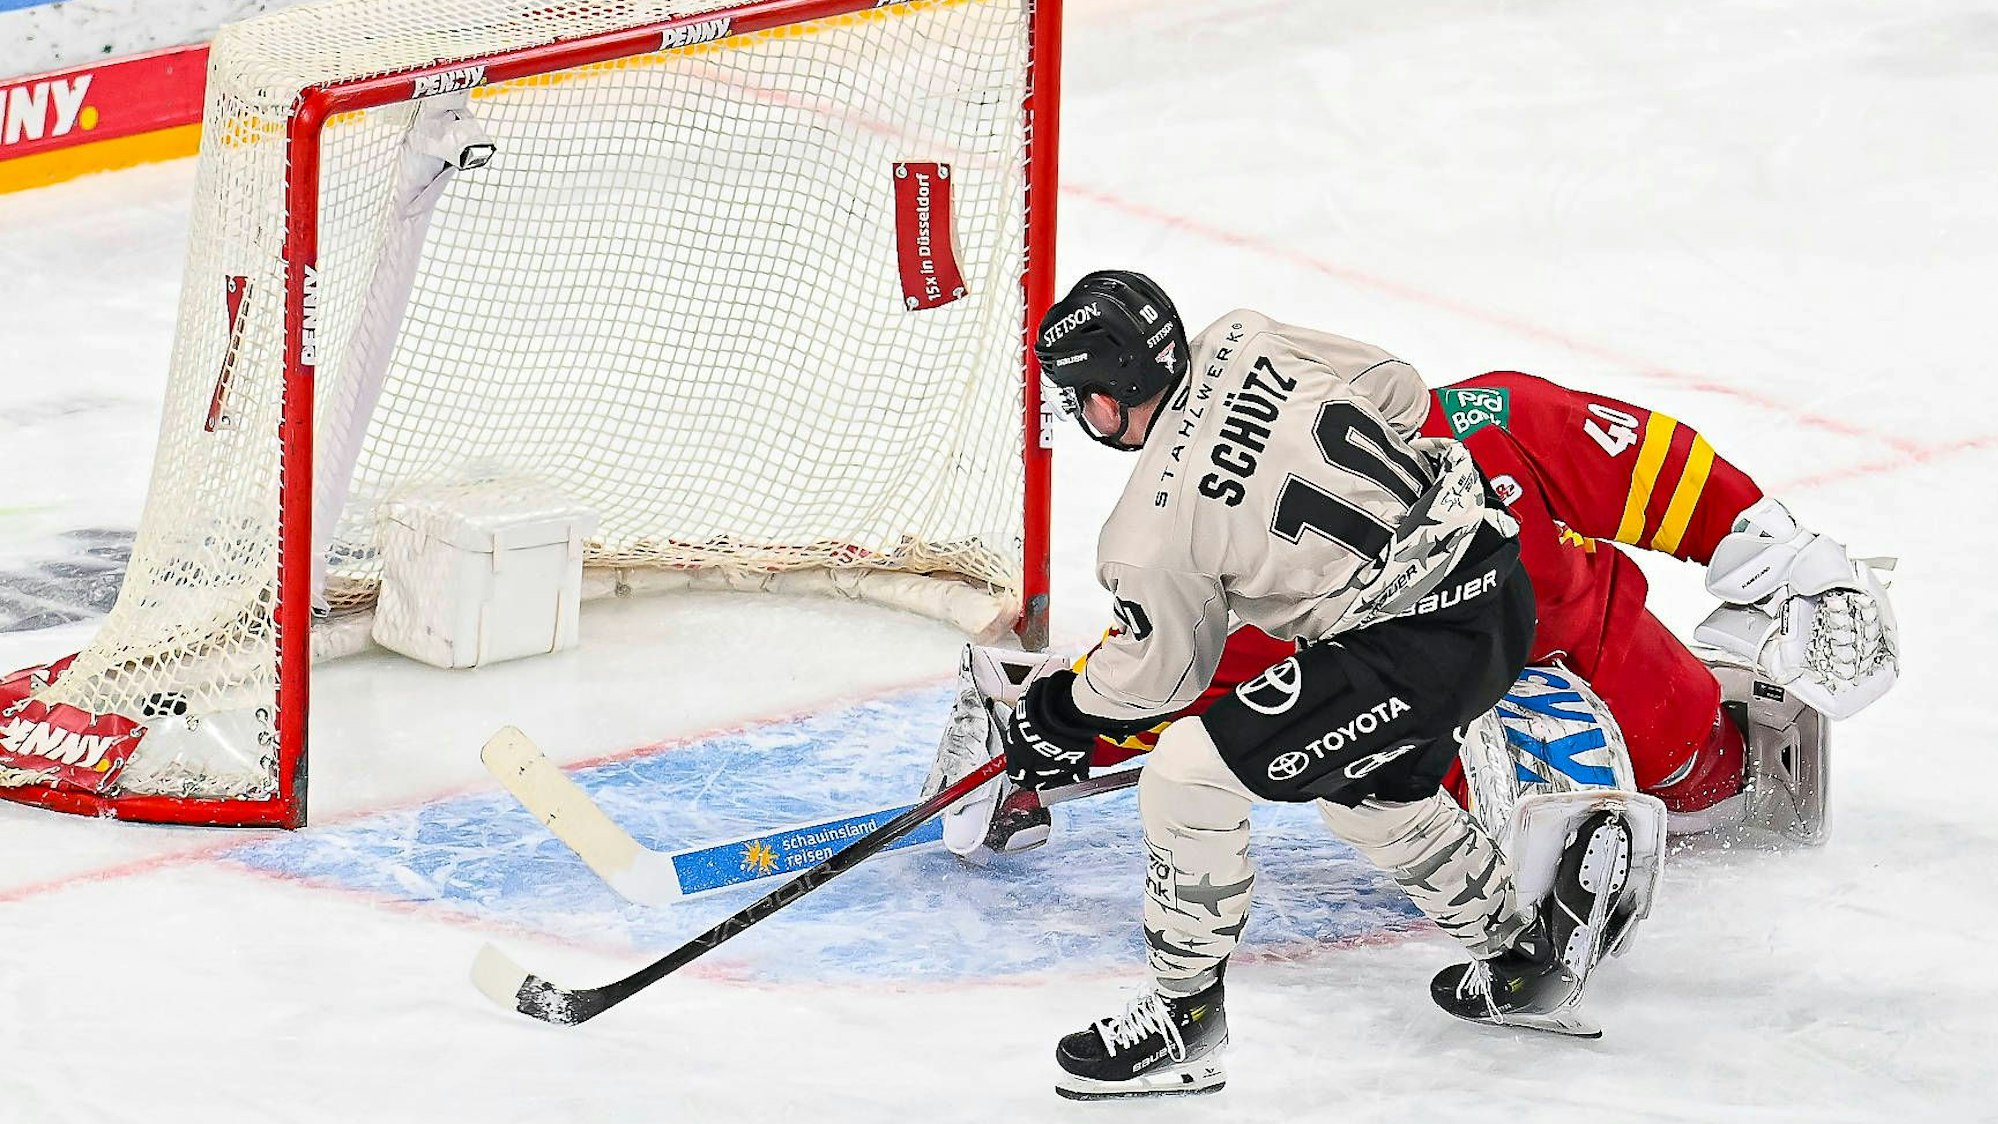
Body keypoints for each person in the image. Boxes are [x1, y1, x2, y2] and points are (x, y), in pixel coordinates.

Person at [993, 271, 1627, 1100]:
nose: (1084, 415)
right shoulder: (1244, 335)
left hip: (1414, 648)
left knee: (1186, 775)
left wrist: (1058, 715)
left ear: (1109, 396)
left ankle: (1184, 1017)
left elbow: (1164, 676)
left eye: (1082, 398)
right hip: (1498, 583)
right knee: (1370, 794)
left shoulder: (1149, 530)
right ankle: (1522, 955)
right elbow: (1400, 392)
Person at [974, 369, 1898, 853]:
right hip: (1474, 738)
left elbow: (1646, 467)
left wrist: (1779, 554)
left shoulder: (1490, 424)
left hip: (1604, 659)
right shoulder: (1278, 557)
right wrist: (1061, 730)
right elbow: (1190, 678)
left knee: (1697, 772)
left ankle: (1717, 743)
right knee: (1488, 795)